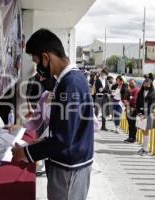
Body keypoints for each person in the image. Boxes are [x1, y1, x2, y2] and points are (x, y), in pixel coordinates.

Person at [12, 29, 94, 200]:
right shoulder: (67, 80)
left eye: (36, 62)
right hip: (67, 164)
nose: (37, 69)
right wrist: (39, 142)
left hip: (69, 170)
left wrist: (25, 153)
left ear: (46, 57)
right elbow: (67, 128)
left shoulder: (70, 84)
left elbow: (63, 138)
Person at [136, 77, 155, 155]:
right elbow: (137, 103)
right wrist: (139, 113)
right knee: (142, 130)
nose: (146, 85)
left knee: (146, 131)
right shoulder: (140, 92)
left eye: (148, 84)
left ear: (150, 84)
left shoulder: (153, 93)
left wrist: (146, 114)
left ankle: (146, 149)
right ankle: (144, 147)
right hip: (140, 114)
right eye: (145, 83)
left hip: (148, 114)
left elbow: (154, 105)